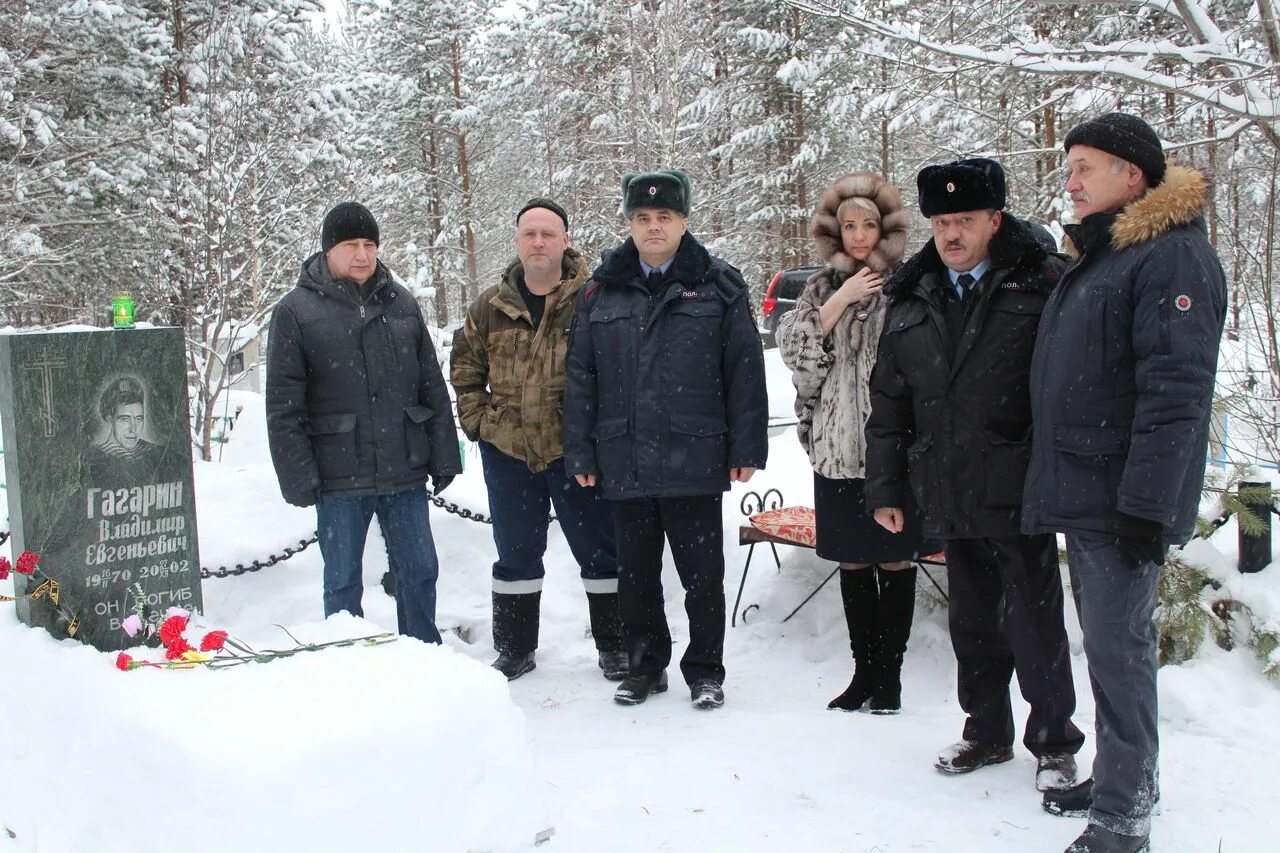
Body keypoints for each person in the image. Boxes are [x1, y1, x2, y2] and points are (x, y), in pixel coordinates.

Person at [1024, 113, 1226, 853]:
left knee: (1120, 651)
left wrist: (1145, 507)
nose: (1069, 181)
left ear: (1131, 176)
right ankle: (1122, 777)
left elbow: (1175, 396)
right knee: (1107, 651)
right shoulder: (1109, 256)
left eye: (1083, 166)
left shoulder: (1171, 260)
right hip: (1089, 489)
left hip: (1121, 502)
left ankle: (1123, 816)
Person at [864, 158, 1085, 792]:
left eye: (965, 220)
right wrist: (886, 488)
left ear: (996, 219)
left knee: (1035, 620)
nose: (952, 234)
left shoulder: (1041, 284)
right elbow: (890, 401)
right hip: (946, 484)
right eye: (941, 221)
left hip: (1020, 484)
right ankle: (986, 732)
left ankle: (1053, 743)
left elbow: (1066, 390)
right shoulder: (913, 295)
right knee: (973, 619)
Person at [563, 169, 768, 709]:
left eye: (664, 217)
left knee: (702, 574)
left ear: (683, 221)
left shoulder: (720, 285)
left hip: (693, 451)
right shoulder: (600, 292)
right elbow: (581, 376)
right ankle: (645, 665)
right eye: (642, 218)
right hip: (624, 454)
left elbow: (743, 369)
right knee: (637, 574)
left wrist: (747, 447)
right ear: (629, 223)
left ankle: (706, 669)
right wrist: (581, 450)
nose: (653, 227)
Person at [266, 202, 461, 645]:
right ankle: (347, 664)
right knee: (342, 583)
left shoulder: (401, 303)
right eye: (351, 245)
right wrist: (298, 474)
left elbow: (430, 384)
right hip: (338, 475)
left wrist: (443, 453)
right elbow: (283, 405)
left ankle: (422, 656)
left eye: (369, 244)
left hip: (403, 467)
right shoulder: (295, 311)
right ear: (328, 250)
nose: (362, 255)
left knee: (419, 572)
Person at [776, 172, 935, 714]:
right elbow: (798, 357)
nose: (860, 235)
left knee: (894, 562)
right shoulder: (822, 287)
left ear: (885, 228)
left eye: (869, 224)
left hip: (893, 455)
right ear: (835, 232)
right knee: (851, 562)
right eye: (850, 225)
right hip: (836, 451)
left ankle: (889, 676)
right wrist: (840, 299)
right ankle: (862, 672)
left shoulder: (910, 284)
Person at [450, 197, 626, 682]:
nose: (539, 242)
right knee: (516, 554)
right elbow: (465, 368)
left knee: (600, 551)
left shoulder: (594, 298)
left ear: (565, 240)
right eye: (529, 233)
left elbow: (616, 369)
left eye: (548, 233)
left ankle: (615, 646)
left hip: (577, 452)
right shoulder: (491, 305)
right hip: (509, 453)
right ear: (517, 241)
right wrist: (480, 423)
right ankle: (515, 648)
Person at [87, 376, 166, 485]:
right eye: (124, 419)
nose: (133, 429)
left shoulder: (160, 455)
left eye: (139, 419)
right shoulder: (92, 460)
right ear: (109, 419)